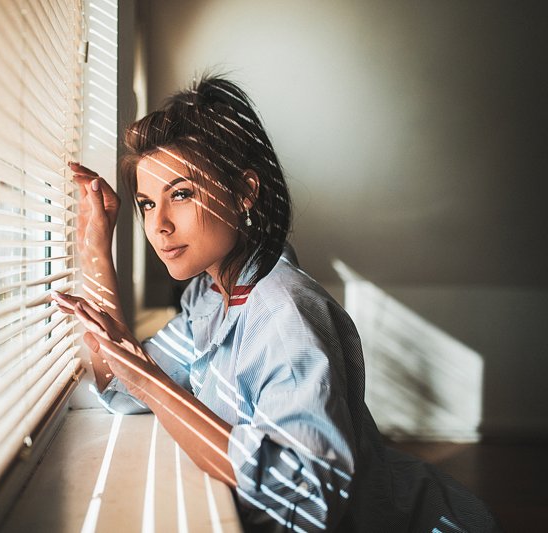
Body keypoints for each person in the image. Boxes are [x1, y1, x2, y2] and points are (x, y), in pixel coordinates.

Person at [52, 76, 499, 532]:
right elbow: (123, 388)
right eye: (147, 204)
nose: (159, 225)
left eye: (181, 194)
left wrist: (151, 384)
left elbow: (305, 499)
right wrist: (96, 249)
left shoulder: (287, 314)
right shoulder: (209, 299)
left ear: (245, 191)